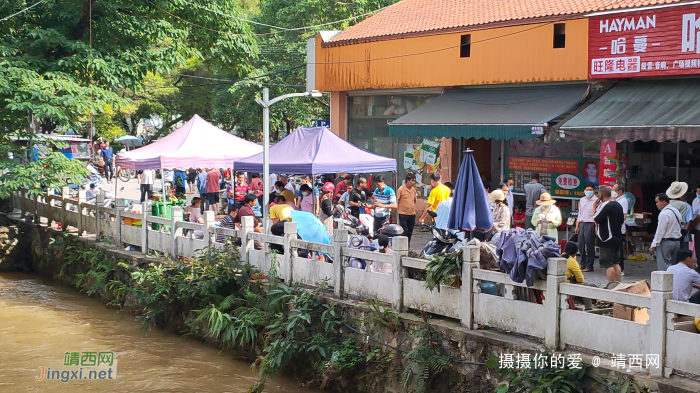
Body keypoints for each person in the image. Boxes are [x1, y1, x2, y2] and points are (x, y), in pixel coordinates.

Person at [594, 186, 624, 283]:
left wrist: (594, 207)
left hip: (606, 239)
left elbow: (596, 219)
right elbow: (621, 220)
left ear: (601, 195)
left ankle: (611, 285)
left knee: (608, 264)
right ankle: (618, 284)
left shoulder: (605, 205)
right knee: (616, 262)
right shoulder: (618, 205)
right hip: (617, 237)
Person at [649, 193, 682, 271]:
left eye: (657, 202)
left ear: (664, 202)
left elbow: (660, 231)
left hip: (666, 242)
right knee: (673, 266)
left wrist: (653, 245)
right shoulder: (676, 211)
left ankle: (665, 283)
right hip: (677, 242)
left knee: (664, 267)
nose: (656, 204)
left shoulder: (664, 214)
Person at [576, 183, 597, 272]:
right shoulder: (582, 200)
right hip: (582, 223)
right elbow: (580, 213)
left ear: (593, 190)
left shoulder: (596, 201)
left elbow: (597, 214)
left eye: (590, 190)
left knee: (589, 244)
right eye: (587, 190)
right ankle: (583, 263)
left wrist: (596, 226)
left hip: (591, 223)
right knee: (580, 244)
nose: (588, 191)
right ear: (584, 191)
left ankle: (589, 265)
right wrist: (577, 225)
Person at [612, 183, 629, 274]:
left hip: (619, 229)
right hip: (615, 228)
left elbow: (624, 216)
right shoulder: (616, 200)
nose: (612, 192)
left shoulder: (622, 201)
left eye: (614, 190)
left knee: (619, 249)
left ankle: (620, 268)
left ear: (620, 191)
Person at [666, 181, 689, 249]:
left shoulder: (667, 203)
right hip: (677, 234)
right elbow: (681, 221)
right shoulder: (683, 205)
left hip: (666, 233)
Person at [397, 172, 417, 245]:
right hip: (403, 214)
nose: (413, 182)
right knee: (404, 231)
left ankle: (407, 246)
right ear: (407, 180)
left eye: (414, 180)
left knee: (410, 231)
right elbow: (397, 201)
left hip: (412, 214)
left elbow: (414, 200)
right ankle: (403, 246)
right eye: (412, 180)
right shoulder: (401, 189)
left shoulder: (414, 190)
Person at [691, 186, 700, 261]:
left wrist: (692, 226)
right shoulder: (695, 200)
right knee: (698, 248)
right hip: (697, 228)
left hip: (697, 226)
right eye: (697, 191)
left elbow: (699, 217)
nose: (698, 193)